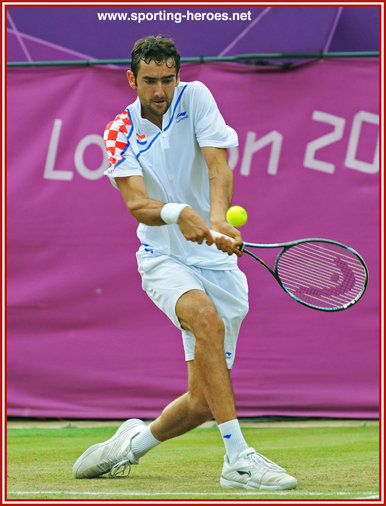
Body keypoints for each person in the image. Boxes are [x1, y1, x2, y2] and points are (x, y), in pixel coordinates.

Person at [73, 35, 297, 491]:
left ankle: (129, 446)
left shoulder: (196, 98)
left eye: (168, 79)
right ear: (132, 79)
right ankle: (238, 461)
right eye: (150, 81)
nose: (160, 90)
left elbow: (218, 164)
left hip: (218, 268)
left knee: (203, 401)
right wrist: (179, 213)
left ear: (179, 75)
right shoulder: (118, 130)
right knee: (204, 320)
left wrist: (216, 218)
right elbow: (136, 203)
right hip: (163, 258)